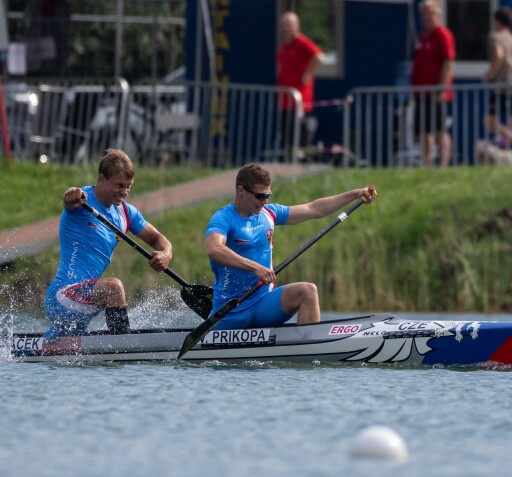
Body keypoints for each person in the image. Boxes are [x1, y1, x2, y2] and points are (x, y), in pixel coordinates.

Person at [205, 163, 377, 330]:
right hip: (230, 313)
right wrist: (255, 267)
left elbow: (314, 209)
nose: (265, 201)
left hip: (261, 304)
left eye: (267, 196)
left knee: (307, 291)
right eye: (260, 196)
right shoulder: (224, 218)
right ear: (241, 190)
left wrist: (355, 194)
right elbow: (214, 249)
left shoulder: (269, 213)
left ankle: (310, 345)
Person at [44, 148, 173, 337]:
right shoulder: (82, 201)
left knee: (58, 345)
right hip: (62, 297)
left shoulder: (126, 213)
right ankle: (123, 346)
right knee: (113, 288)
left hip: (87, 299)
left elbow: (157, 239)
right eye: (119, 185)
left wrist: (166, 253)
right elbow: (69, 200)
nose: (124, 192)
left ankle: (33, 347)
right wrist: (70, 194)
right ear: (101, 179)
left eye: (128, 186)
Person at [410, 0, 456, 166]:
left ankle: (443, 165)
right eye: (423, 14)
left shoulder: (443, 34)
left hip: (436, 92)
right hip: (421, 92)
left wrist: (442, 89)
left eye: (430, 13)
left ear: (438, 14)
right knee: (425, 131)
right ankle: (426, 165)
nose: (426, 17)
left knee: (439, 130)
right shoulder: (423, 36)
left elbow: (448, 62)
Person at [276, 11, 324, 157]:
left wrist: (307, 73)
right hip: (285, 99)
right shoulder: (285, 45)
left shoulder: (302, 42)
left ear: (297, 25)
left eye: (289, 24)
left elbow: (318, 57)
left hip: (299, 99)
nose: (286, 27)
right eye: (284, 24)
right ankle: (289, 161)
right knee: (286, 135)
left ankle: (301, 161)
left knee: (299, 135)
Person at [482, 8, 512, 147]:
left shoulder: (496, 36)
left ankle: (509, 137)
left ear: (497, 21)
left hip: (502, 84)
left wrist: (489, 75)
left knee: (488, 121)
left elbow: (498, 55)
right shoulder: (510, 37)